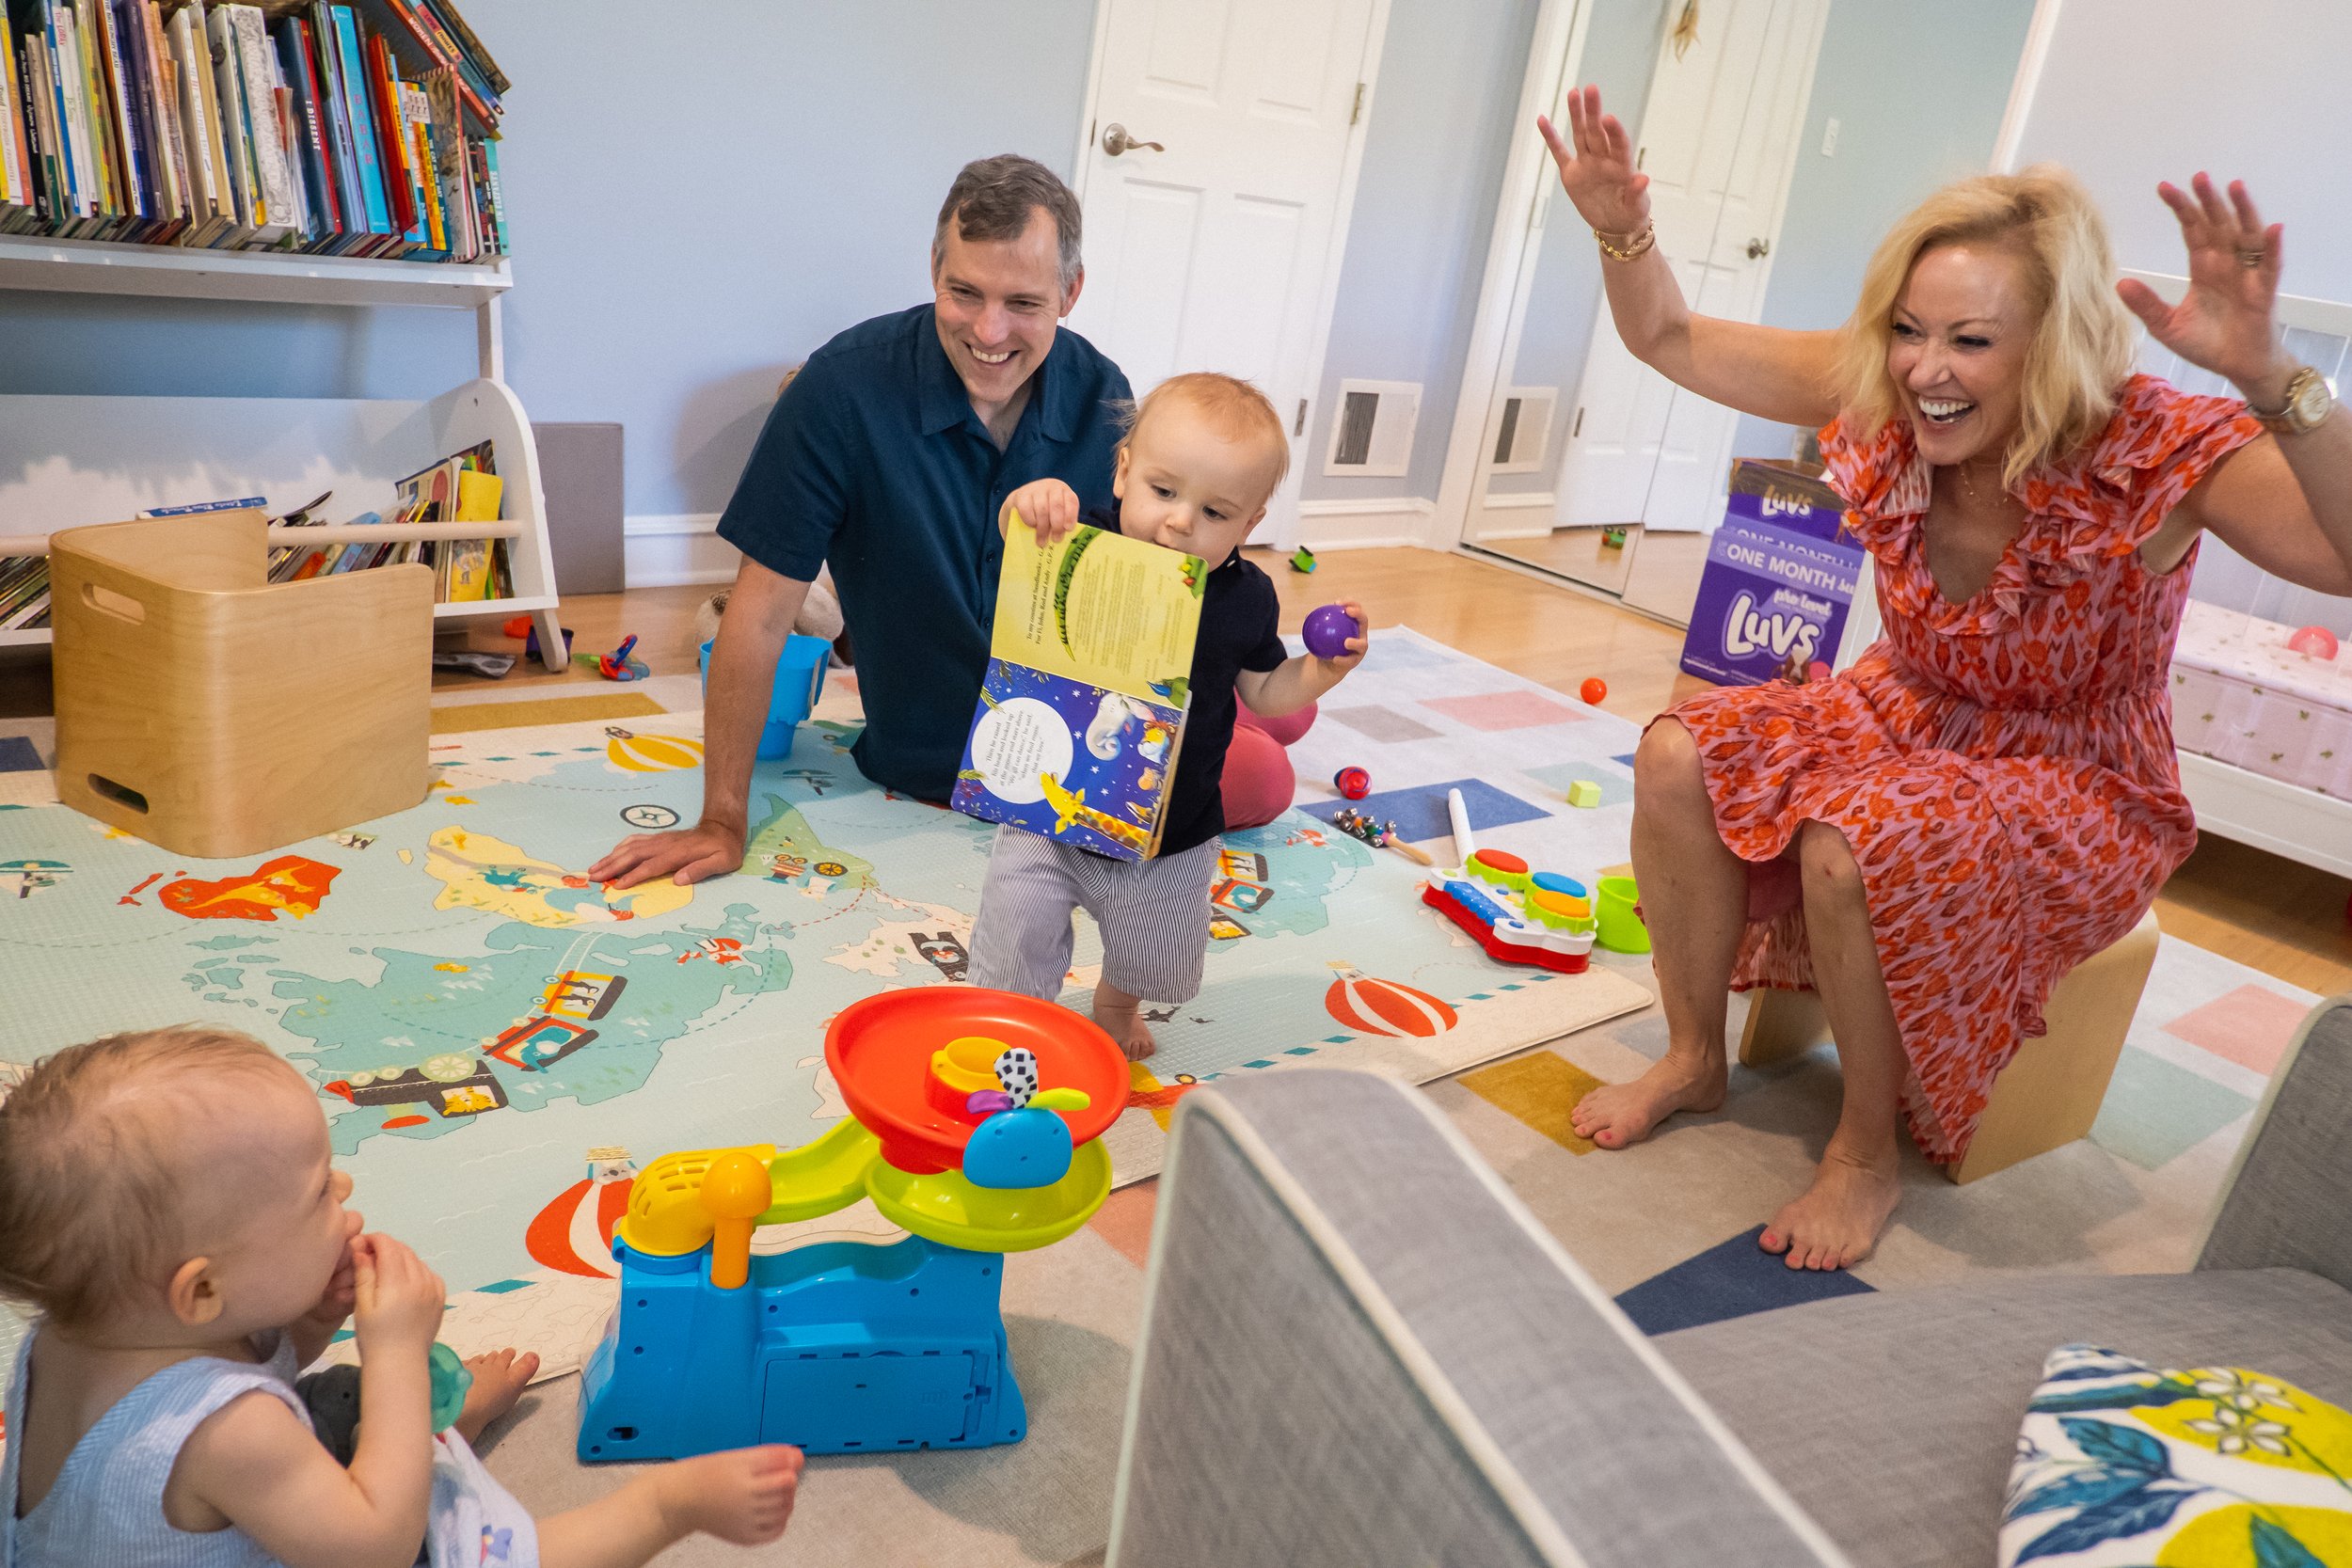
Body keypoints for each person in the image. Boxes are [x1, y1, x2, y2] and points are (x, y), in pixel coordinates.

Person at [1540, 86, 2352, 1270]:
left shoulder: (2154, 446)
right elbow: (1666, 337)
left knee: (1849, 835)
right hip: (1898, 708)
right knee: (1679, 752)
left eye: (1970, 340)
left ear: (2055, 341)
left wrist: (2278, 380)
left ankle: (1863, 1153)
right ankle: (1693, 1053)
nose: (1926, 368)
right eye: (1909, 328)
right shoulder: (1879, 385)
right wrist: (1623, 230)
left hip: (2076, 773)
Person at [0, 1026, 804, 1567]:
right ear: (203, 1287)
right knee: (463, 1547)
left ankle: (447, 1418)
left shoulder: (71, 1337)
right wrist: (394, 1354)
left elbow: (220, 1382)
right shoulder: (233, 1434)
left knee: (332, 1403)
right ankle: (664, 1506)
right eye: (318, 1192)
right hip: (357, 1542)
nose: (344, 1185)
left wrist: (311, 1323)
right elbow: (376, 1545)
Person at [589, 155, 1132, 892]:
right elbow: (756, 616)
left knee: (1252, 774)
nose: (989, 330)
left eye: (1024, 304)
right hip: (918, 759)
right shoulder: (839, 389)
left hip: (1070, 769)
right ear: (933, 266)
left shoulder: (1107, 397)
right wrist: (722, 818)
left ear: (1071, 292)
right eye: (963, 292)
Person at [968, 373, 1368, 1058]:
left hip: (1170, 830)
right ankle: (1010, 1017)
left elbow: (1265, 692)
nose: (1181, 521)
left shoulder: (1245, 596)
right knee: (1015, 929)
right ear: (1122, 472)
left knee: (1150, 953)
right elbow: (1015, 537)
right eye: (1164, 491)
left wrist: (1320, 670)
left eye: (1216, 513)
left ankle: (1115, 1005)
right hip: (1051, 809)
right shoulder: (1081, 541)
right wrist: (1029, 504)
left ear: (1251, 523)